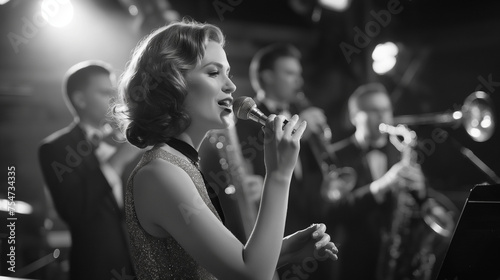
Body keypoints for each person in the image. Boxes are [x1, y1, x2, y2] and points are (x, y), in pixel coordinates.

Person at [114, 19, 338, 280]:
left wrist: (282, 251)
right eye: (213, 72)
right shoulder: (160, 173)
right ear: (173, 84)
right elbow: (252, 276)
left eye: (228, 72)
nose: (231, 86)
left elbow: (224, 266)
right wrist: (278, 175)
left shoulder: (180, 165)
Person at [38, 61, 141, 279]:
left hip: (141, 265)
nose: (116, 99)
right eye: (106, 93)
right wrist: (117, 160)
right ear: (80, 100)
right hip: (96, 268)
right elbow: (74, 210)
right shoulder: (55, 149)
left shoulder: (127, 140)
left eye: (115, 92)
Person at [324, 83, 428, 280]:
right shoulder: (335, 156)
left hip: (394, 259)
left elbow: (419, 204)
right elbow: (332, 211)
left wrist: (421, 190)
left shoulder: (401, 153)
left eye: (386, 110)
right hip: (352, 261)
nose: (382, 116)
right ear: (354, 116)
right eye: (373, 110)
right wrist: (382, 185)